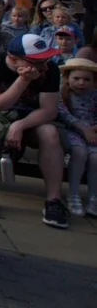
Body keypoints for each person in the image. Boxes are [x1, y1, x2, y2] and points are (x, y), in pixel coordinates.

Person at [0, 34, 69, 228]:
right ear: (14, 58)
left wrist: (19, 126)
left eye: (45, 59)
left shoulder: (49, 70)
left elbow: (49, 110)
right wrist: (23, 80)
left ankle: (54, 201)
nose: (43, 66)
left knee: (49, 133)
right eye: (36, 62)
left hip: (29, 116)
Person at [57, 57, 97, 217]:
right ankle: (73, 194)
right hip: (72, 130)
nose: (81, 83)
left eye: (87, 79)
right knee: (79, 153)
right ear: (67, 78)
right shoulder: (62, 94)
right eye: (76, 78)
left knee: (95, 158)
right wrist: (84, 129)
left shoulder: (95, 95)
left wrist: (93, 129)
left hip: (93, 133)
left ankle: (94, 197)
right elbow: (63, 114)